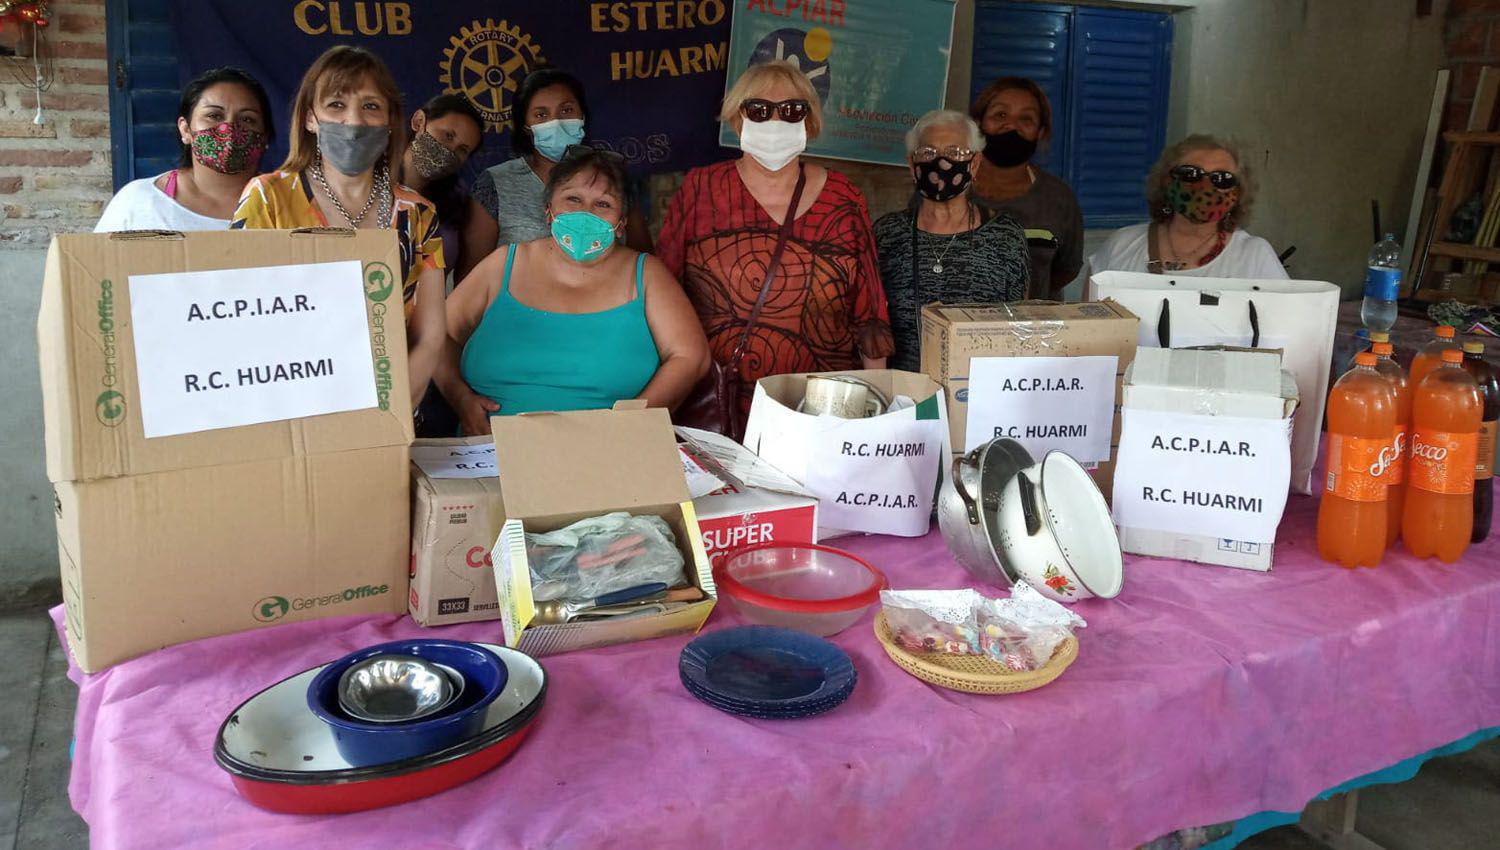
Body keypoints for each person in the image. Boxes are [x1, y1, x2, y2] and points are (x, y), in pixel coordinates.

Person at [657, 59, 892, 416]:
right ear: (738, 119)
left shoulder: (844, 197)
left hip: (821, 406)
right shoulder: (701, 189)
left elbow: (869, 310)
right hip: (721, 405)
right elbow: (662, 291)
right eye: (759, 110)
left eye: (792, 110)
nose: (775, 121)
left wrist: (877, 408)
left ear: (810, 123)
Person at [439, 146, 709, 435]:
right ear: (548, 212)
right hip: (490, 453)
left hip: (607, 452)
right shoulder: (505, 264)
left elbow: (690, 357)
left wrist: (630, 424)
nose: (585, 213)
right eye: (573, 199)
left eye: (603, 204)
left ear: (621, 224)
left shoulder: (646, 274)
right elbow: (437, 336)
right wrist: (460, 398)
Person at [230, 45, 445, 408]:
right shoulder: (267, 199)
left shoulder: (419, 213)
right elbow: (242, 319)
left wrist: (392, 410)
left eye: (371, 106)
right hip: (291, 408)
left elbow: (431, 334)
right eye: (336, 105)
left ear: (391, 121)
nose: (354, 121)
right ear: (310, 118)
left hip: (392, 409)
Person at [875, 110, 1031, 372]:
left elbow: (1018, 326)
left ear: (975, 163)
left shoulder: (1005, 236)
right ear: (912, 165)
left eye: (955, 152)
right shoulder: (888, 233)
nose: (941, 162)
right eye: (928, 153)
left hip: (981, 391)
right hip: (905, 391)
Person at [462, 67, 651, 279]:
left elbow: (644, 262)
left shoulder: (614, 176)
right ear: (526, 127)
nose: (556, 122)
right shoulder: (495, 184)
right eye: (541, 115)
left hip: (606, 306)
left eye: (566, 110)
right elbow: (472, 277)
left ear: (582, 116)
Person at [96, 67, 273, 232]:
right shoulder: (139, 202)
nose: (229, 128)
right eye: (214, 116)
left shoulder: (288, 204)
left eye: (248, 119)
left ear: (265, 136)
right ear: (186, 129)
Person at [1089, 134, 1287, 279]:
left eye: (1222, 179)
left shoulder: (1255, 257)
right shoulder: (1121, 246)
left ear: (1239, 192)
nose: (1206, 186)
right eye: (1191, 174)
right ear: (1166, 180)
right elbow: (1088, 328)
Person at [968, 77, 1084, 299]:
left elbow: (1065, 271)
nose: (1011, 125)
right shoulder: (948, 187)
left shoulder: (1058, 198)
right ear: (978, 123)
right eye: (1000, 115)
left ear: (1040, 132)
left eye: (1026, 119)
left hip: (1035, 328)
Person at [394, 93, 484, 279]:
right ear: (419, 122)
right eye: (448, 136)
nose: (450, 150)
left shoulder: (458, 199)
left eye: (462, 150)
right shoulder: (368, 182)